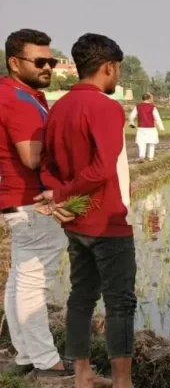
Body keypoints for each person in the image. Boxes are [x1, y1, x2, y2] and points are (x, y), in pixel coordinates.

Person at [35, 33, 134, 388]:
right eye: (117, 69)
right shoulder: (106, 108)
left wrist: (55, 194)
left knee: (81, 296)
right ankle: (123, 381)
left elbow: (44, 163)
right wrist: (63, 192)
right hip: (108, 222)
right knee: (120, 303)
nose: (117, 76)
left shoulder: (57, 107)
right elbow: (103, 170)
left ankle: (82, 374)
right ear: (108, 67)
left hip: (75, 224)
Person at [0, 29, 70, 378]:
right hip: (32, 202)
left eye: (51, 60)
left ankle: (26, 355)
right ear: (15, 62)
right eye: (39, 61)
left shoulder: (18, 93)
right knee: (33, 281)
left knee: (20, 279)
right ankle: (47, 361)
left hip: (17, 202)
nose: (48, 67)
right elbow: (31, 156)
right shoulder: (18, 100)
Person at [128, 93, 165, 162]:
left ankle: (142, 156)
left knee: (141, 143)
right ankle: (150, 157)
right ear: (149, 99)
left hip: (141, 128)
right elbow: (157, 118)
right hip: (151, 128)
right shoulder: (152, 107)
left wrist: (131, 122)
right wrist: (161, 127)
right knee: (151, 143)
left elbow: (131, 116)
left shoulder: (138, 106)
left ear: (142, 99)